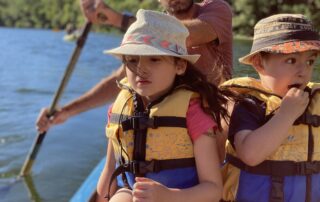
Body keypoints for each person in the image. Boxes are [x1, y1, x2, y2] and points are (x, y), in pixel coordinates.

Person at [36, 0, 233, 137]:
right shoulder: (149, 31)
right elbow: (121, 81)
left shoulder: (216, 9)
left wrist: (117, 19)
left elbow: (181, 35)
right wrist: (66, 111)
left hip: (216, 123)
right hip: (173, 127)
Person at [97, 9, 231, 202]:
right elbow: (109, 169)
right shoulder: (120, 106)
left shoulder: (192, 112)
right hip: (130, 191)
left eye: (154, 59)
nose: (141, 68)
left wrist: (167, 196)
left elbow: (212, 189)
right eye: (132, 60)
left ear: (180, 66)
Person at [220, 14, 320, 202]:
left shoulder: (315, 101)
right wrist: (286, 115)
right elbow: (250, 155)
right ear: (259, 63)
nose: (303, 71)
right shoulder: (249, 104)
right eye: (291, 61)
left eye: (310, 62)